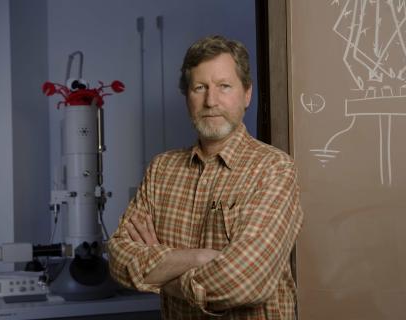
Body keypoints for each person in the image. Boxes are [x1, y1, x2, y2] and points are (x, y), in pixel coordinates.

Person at [108, 35, 303, 319]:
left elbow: (245, 281)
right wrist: (201, 257)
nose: (211, 101)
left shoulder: (273, 169)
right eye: (200, 87)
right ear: (187, 95)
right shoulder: (161, 170)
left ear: (247, 94)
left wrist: (162, 275)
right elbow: (118, 259)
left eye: (224, 86)